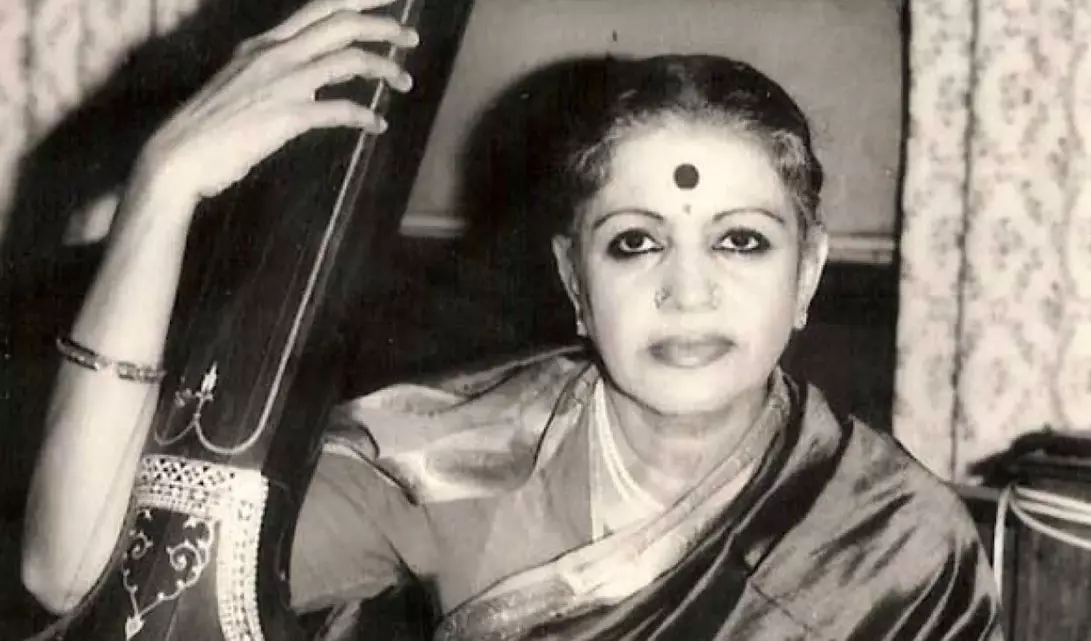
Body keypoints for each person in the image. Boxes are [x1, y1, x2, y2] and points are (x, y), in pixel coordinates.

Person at [21, 0, 1003, 638]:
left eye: (740, 240)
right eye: (634, 241)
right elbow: (80, 576)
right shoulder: (450, 461)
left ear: (808, 273)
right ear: (573, 280)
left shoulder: (899, 542)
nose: (688, 288)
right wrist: (163, 188)